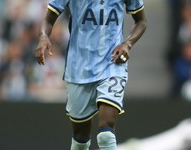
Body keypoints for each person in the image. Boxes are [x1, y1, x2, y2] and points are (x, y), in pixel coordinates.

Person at [35, 0, 147, 149]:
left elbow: (141, 21)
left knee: (106, 135)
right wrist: (43, 36)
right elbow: (48, 20)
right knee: (80, 140)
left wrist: (127, 43)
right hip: (78, 69)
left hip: (112, 64)